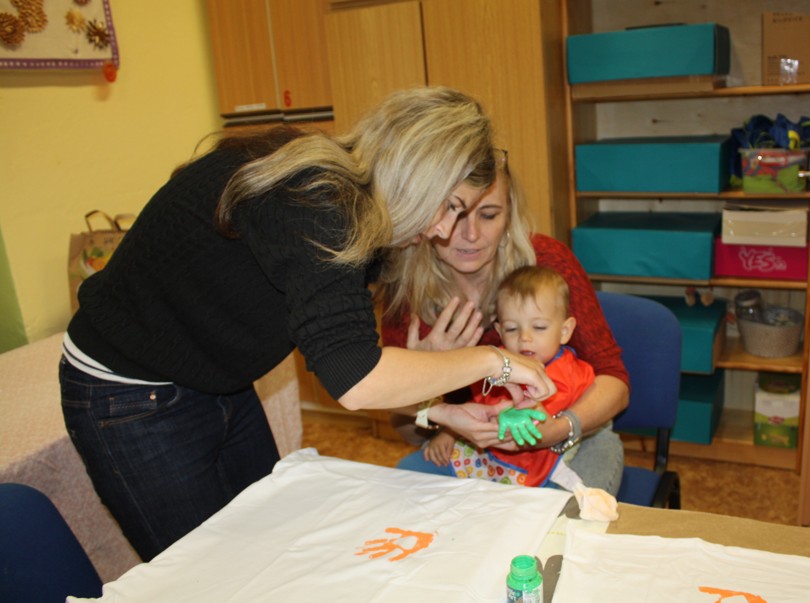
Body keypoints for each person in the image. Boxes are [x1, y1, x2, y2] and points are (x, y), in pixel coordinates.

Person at [59, 86, 556, 561]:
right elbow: (357, 379)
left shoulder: (362, 210)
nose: (444, 230)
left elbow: (343, 354)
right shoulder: (318, 202)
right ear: (412, 174)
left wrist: (441, 412)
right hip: (128, 390)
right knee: (199, 570)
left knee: (269, 538)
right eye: (448, 206)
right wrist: (493, 360)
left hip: (215, 376)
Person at [379, 158, 630, 495]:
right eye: (453, 212)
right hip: (471, 448)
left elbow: (615, 383)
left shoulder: (548, 264)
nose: (470, 234)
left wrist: (560, 429)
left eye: (488, 215)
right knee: (402, 498)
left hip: (576, 440)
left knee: (557, 519)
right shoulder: (405, 289)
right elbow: (406, 429)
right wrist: (424, 380)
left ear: (509, 216)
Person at [416, 265, 599, 489]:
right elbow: (473, 407)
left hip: (534, 462)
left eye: (539, 327)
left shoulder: (573, 373)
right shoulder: (493, 364)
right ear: (500, 331)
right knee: (414, 470)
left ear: (564, 331)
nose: (525, 338)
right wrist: (450, 431)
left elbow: (543, 422)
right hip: (484, 453)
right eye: (512, 329)